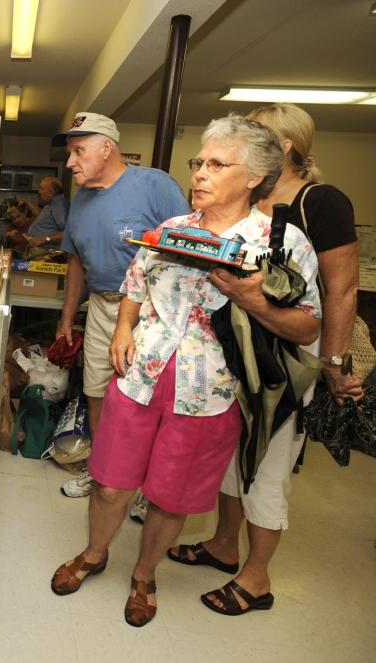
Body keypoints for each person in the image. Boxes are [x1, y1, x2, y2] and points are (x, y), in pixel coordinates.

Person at [51, 114, 321, 627]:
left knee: (170, 497)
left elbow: (307, 328)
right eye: (199, 161)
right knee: (109, 482)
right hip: (142, 374)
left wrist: (252, 299)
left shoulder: (282, 245)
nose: (199, 173)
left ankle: (144, 575)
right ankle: (93, 553)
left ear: (254, 177)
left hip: (212, 391)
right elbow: (136, 283)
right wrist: (126, 328)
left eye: (217, 164)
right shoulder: (172, 229)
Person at [168, 103, 361, 616]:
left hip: (284, 355)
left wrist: (335, 363)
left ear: (283, 150)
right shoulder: (237, 208)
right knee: (236, 456)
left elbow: (340, 291)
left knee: (269, 464)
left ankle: (257, 579)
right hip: (235, 351)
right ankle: (223, 545)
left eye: (250, 136)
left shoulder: (318, 204)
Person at [53, 112, 190, 513]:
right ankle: (102, 470)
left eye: (78, 151)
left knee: (146, 398)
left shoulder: (155, 186)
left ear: (106, 147)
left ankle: (149, 489)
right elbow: (76, 262)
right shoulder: (80, 201)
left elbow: (185, 250)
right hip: (100, 305)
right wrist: (66, 317)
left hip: (152, 312)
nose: (70, 162)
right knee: (96, 389)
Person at [24, 176, 68, 249]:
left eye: (42, 189)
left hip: (47, 253)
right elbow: (45, 217)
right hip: (39, 249)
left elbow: (67, 232)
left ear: (51, 193)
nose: (39, 191)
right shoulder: (53, 203)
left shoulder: (59, 206)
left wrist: (44, 239)